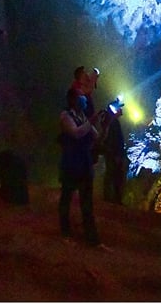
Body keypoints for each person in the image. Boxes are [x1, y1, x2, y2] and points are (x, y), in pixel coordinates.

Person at [59, 88, 100, 245]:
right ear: (73, 100)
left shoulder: (83, 117)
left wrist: (108, 122)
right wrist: (91, 122)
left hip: (84, 162)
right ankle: (65, 233)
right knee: (66, 198)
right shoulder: (65, 116)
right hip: (71, 161)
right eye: (81, 96)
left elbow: (97, 138)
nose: (84, 99)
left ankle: (92, 238)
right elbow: (75, 133)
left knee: (87, 201)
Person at [100, 97, 127, 205]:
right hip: (112, 153)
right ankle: (110, 199)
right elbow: (112, 139)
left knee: (115, 175)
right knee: (112, 174)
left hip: (114, 152)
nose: (121, 110)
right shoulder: (111, 122)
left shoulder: (113, 122)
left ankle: (114, 198)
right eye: (119, 108)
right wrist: (115, 154)